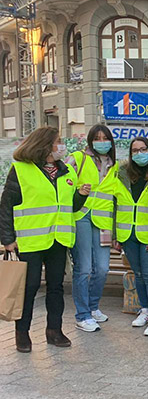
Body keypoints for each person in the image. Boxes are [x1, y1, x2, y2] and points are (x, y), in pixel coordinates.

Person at [0, 127, 90, 352]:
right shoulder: (21, 170)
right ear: (45, 145)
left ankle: (54, 330)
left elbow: (69, 207)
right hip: (29, 241)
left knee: (56, 287)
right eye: (58, 141)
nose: (62, 146)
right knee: (29, 288)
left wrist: (80, 196)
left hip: (58, 240)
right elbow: (6, 207)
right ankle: (22, 333)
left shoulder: (67, 171)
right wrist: (7, 239)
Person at [67, 124, 121, 332]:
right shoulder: (78, 158)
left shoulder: (114, 165)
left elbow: (117, 200)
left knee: (102, 268)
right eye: (97, 138)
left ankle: (92, 306)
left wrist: (116, 232)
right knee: (84, 268)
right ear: (90, 140)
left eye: (105, 138)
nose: (101, 142)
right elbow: (64, 180)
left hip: (104, 221)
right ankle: (82, 315)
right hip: (81, 216)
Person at [116, 138, 148, 336]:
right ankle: (145, 310)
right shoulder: (123, 174)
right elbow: (114, 203)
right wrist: (115, 235)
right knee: (138, 275)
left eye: (143, 149)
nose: (139, 153)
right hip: (128, 233)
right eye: (135, 150)